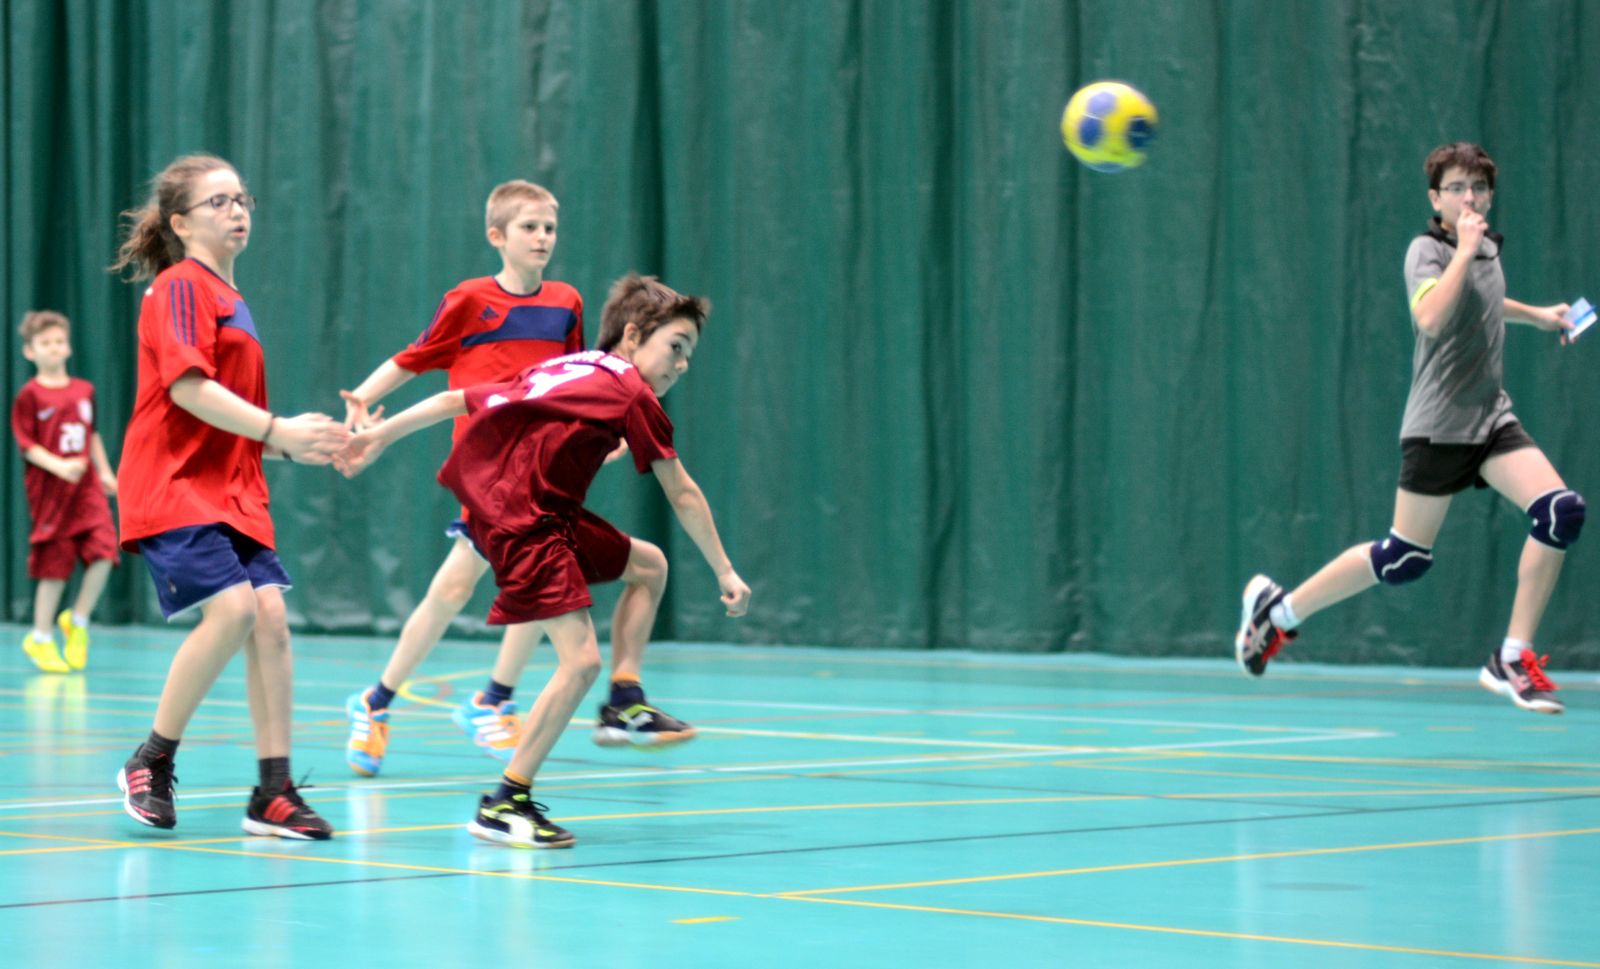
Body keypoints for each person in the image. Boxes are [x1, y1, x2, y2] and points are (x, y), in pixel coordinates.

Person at [339, 272, 751, 847]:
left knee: (649, 565)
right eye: (675, 347)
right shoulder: (631, 391)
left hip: (531, 513)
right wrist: (725, 570)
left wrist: (380, 436)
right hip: (527, 525)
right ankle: (505, 803)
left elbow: (455, 401)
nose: (681, 365)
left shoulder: (568, 366)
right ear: (633, 337)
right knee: (579, 663)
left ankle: (625, 701)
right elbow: (681, 492)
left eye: (689, 356)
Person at [340, 182, 698, 779]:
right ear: (497, 236)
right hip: (489, 470)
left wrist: (602, 439)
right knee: (460, 589)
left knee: (538, 578)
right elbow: (415, 357)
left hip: (536, 472)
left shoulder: (566, 302)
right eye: (529, 227)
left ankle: (472, 701)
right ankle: (390, 702)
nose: (542, 238)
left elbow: (578, 375)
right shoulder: (469, 300)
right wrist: (362, 399)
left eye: (549, 228)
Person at [1235, 142, 1585, 714]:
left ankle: (1512, 657)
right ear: (1435, 199)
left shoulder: (1484, 252)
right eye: (1456, 188)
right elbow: (1431, 316)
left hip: (1490, 419)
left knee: (1561, 512)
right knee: (1403, 559)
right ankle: (1278, 613)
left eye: (1478, 187)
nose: (1469, 198)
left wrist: (1540, 316)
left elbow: (1485, 301)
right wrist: (1463, 252)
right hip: (1438, 426)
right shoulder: (1426, 251)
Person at [109, 153, 348, 837]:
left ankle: (273, 792)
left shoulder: (231, 300)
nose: (237, 210)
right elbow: (188, 390)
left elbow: (227, 418)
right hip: (174, 483)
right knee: (236, 608)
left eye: (242, 198)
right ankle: (151, 759)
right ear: (181, 223)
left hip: (232, 488)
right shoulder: (181, 286)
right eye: (218, 201)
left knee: (270, 620)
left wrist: (303, 444)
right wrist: (277, 428)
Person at [10, 310, 119, 673]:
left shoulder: (84, 390)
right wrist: (59, 466)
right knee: (54, 567)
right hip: (51, 493)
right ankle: (41, 637)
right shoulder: (30, 395)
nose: (54, 348)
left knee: (105, 550)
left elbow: (92, 434)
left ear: (68, 346)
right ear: (30, 351)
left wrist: (104, 472)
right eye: (46, 343)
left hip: (87, 490)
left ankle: (78, 620)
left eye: (59, 341)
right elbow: (27, 444)